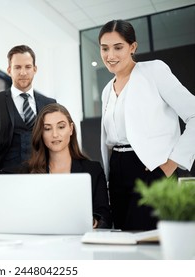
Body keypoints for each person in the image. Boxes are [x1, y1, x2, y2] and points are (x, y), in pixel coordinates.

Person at [99, 19, 195, 230]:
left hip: (151, 168)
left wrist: (171, 164)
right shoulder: (107, 90)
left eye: (118, 47)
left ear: (133, 47)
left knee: (149, 240)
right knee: (123, 237)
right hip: (117, 171)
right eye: (104, 48)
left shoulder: (154, 71)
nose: (110, 55)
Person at [25, 103, 111, 228]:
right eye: (48, 128)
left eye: (61, 127)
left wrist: (92, 221)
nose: (55, 134)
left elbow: (105, 217)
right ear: (41, 133)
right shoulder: (29, 172)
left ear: (71, 129)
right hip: (43, 241)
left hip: (80, 242)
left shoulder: (92, 170)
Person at [0, 45, 56, 173]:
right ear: (9, 70)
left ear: (35, 69)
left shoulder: (49, 104)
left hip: (42, 177)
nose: (23, 72)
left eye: (28, 67)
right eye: (17, 67)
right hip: (4, 178)